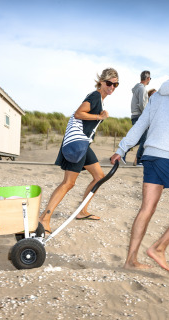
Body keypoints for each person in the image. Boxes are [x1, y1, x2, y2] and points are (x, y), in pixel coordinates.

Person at [110, 54, 169, 273]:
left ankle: (131, 260)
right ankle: (159, 248)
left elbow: (140, 125)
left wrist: (121, 149)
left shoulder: (158, 94)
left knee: (147, 208)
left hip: (151, 156)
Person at [39, 68, 119, 234]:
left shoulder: (100, 99)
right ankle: (44, 219)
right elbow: (78, 114)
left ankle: (82, 211)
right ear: (102, 82)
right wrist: (99, 117)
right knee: (68, 183)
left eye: (115, 84)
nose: (112, 87)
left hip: (84, 144)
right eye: (109, 83)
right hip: (77, 144)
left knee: (99, 177)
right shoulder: (95, 96)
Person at [128, 70, 151, 166]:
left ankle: (122, 152)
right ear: (148, 78)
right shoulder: (142, 89)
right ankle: (139, 160)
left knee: (139, 139)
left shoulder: (137, 88)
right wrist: (146, 115)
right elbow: (142, 103)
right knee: (144, 139)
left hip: (135, 115)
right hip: (139, 116)